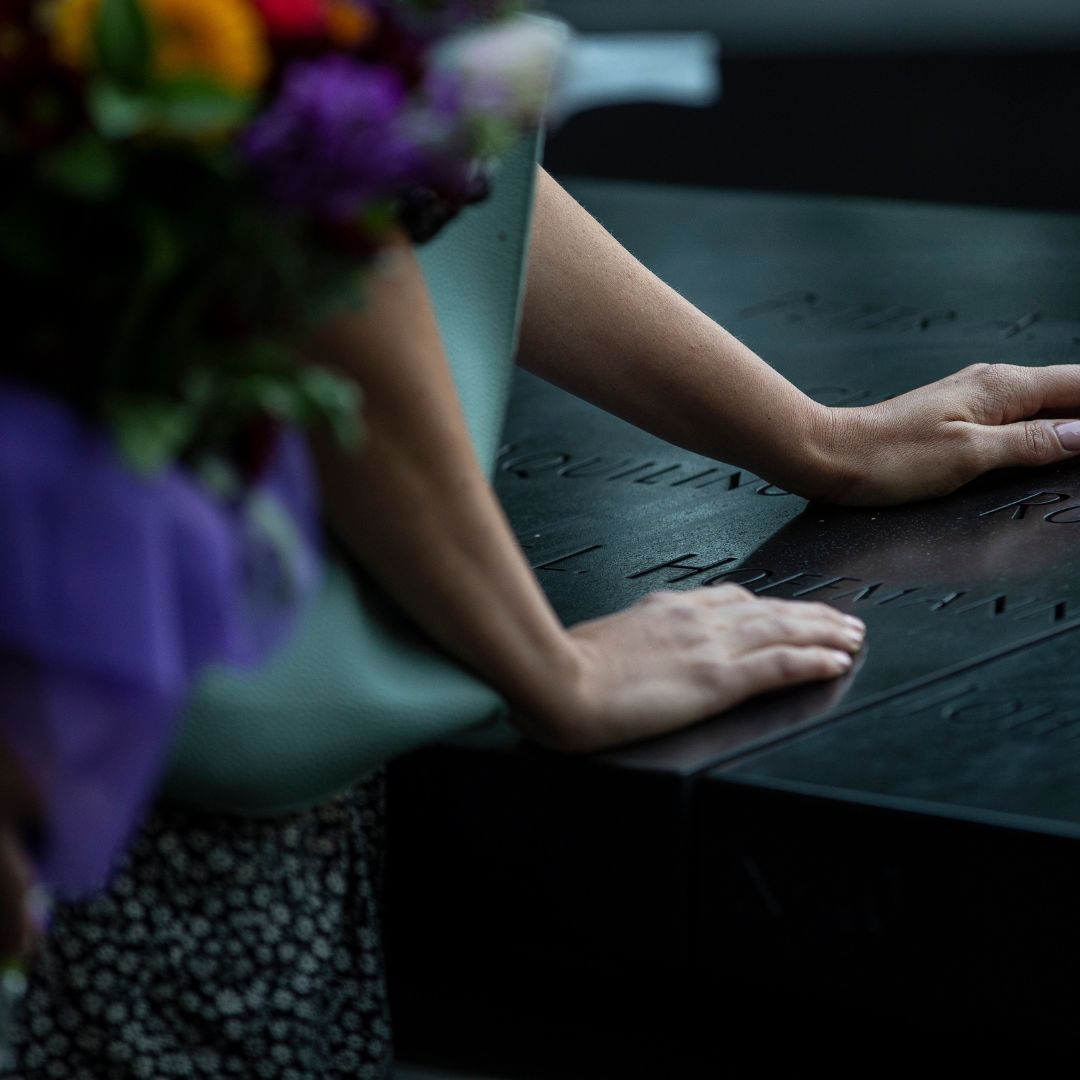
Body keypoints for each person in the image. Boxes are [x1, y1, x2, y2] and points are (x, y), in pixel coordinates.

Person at [6, 164, 1080, 1077]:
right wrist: (545, 664)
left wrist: (815, 438)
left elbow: (424, 149)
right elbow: (317, 217)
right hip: (107, 766)